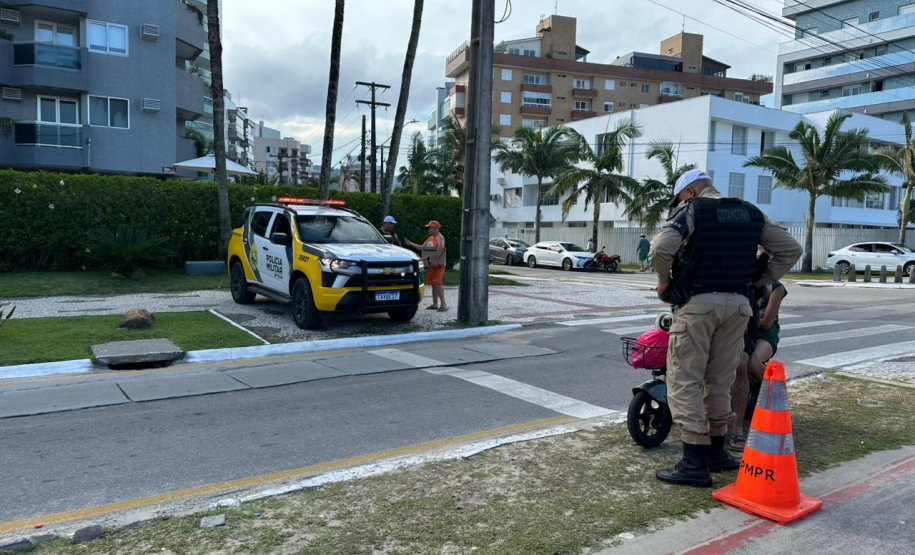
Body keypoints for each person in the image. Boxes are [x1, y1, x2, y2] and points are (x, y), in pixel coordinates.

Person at [649, 169, 801, 487]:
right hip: (739, 307)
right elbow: (790, 249)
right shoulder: (750, 212)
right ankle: (717, 454)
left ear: (689, 192)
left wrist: (664, 282)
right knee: (720, 380)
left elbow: (661, 249)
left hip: (697, 304)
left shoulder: (692, 210)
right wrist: (758, 280)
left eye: (679, 198)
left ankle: (694, 463)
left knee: (686, 380)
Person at [728, 251, 787, 451]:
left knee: (750, 362)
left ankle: (775, 397)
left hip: (764, 334)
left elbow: (766, 321)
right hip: (745, 328)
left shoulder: (776, 288)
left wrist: (753, 314)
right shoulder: (745, 281)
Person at [406, 221, 448, 311]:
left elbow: (441, 247)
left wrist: (435, 260)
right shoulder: (430, 238)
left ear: (435, 228)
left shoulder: (440, 237)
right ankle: (435, 304)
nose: (428, 229)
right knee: (433, 284)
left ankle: (443, 304)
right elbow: (422, 247)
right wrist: (411, 243)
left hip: (438, 265)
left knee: (438, 283)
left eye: (429, 228)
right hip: (431, 265)